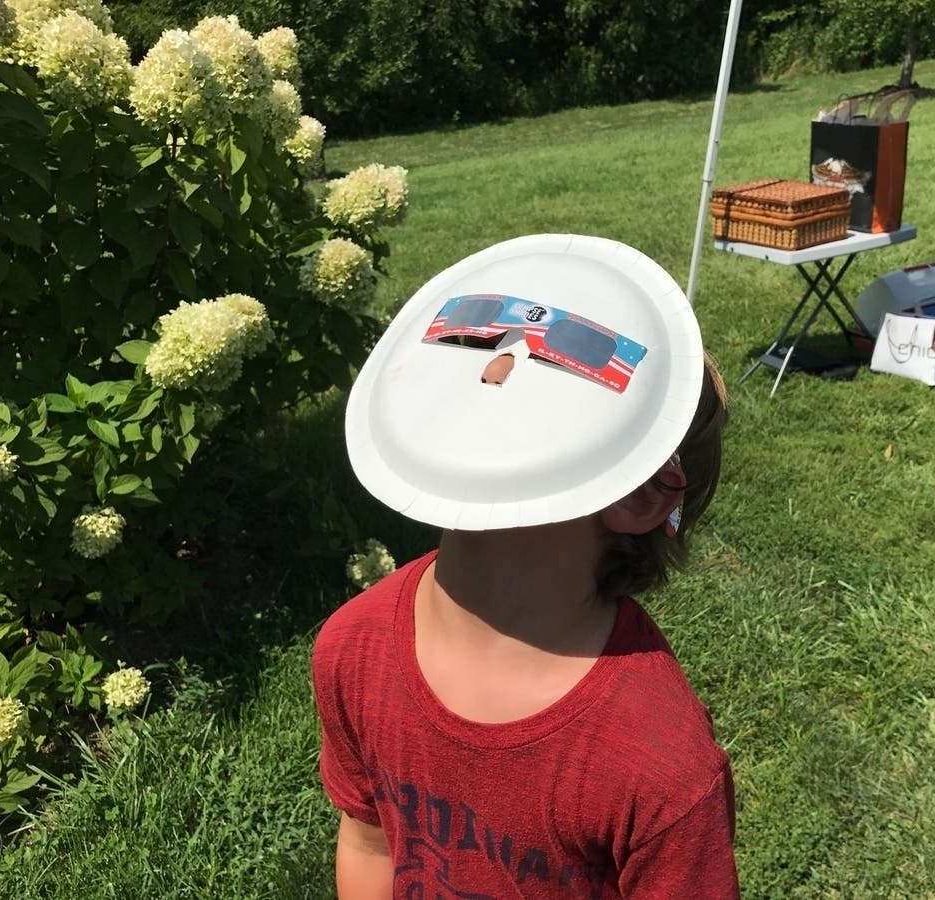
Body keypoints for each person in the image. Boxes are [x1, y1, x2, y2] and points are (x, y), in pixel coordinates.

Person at [313, 233, 740, 898]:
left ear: (642, 498)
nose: (495, 371)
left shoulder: (661, 765)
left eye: (544, 367)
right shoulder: (351, 646)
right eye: (490, 348)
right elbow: (370, 840)